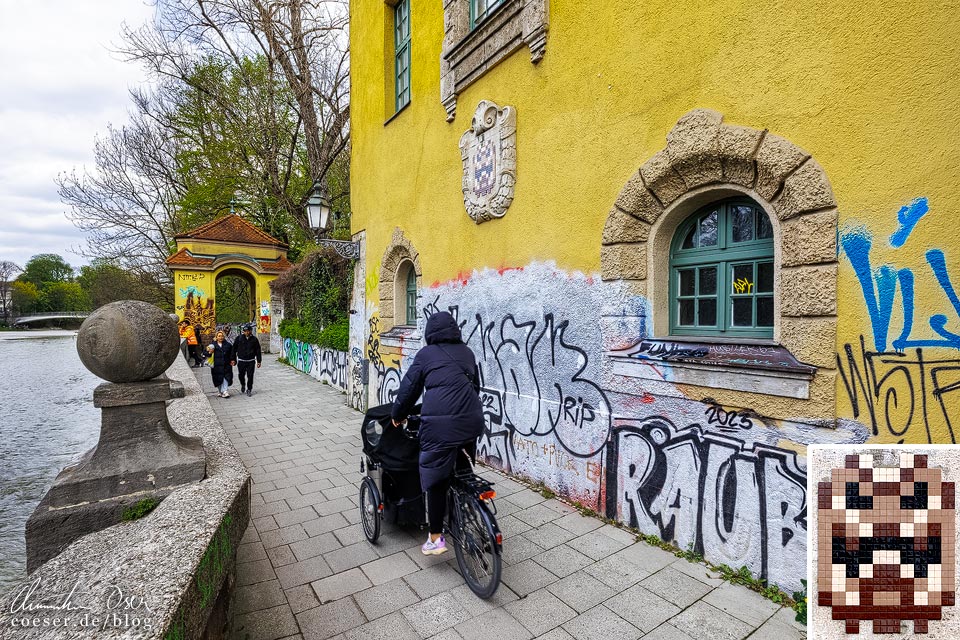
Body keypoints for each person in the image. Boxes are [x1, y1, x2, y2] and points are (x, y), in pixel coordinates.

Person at [391, 311, 484, 555]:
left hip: (439, 427)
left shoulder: (426, 354)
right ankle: (475, 503)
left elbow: (409, 390)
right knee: (460, 456)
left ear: (430, 333)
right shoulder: (467, 352)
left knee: (435, 478)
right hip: (473, 420)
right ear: (454, 331)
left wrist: (397, 415)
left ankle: (435, 537)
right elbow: (475, 386)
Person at [231, 323, 262, 396]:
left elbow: (258, 350)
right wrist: (233, 359)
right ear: (243, 331)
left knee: (250, 375)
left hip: (251, 361)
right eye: (245, 331)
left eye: (248, 331)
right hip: (241, 360)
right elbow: (234, 349)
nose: (247, 332)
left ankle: (249, 389)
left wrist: (259, 361)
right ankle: (243, 384)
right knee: (241, 375)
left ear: (251, 331)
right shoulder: (239, 338)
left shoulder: (254, 339)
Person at [207, 330, 234, 397]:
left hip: (226, 364)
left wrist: (233, 360)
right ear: (216, 337)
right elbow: (205, 353)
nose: (221, 337)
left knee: (226, 377)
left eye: (222, 336)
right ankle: (220, 391)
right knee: (218, 378)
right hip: (217, 366)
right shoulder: (212, 345)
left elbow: (232, 353)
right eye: (219, 336)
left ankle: (225, 391)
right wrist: (210, 352)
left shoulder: (228, 345)